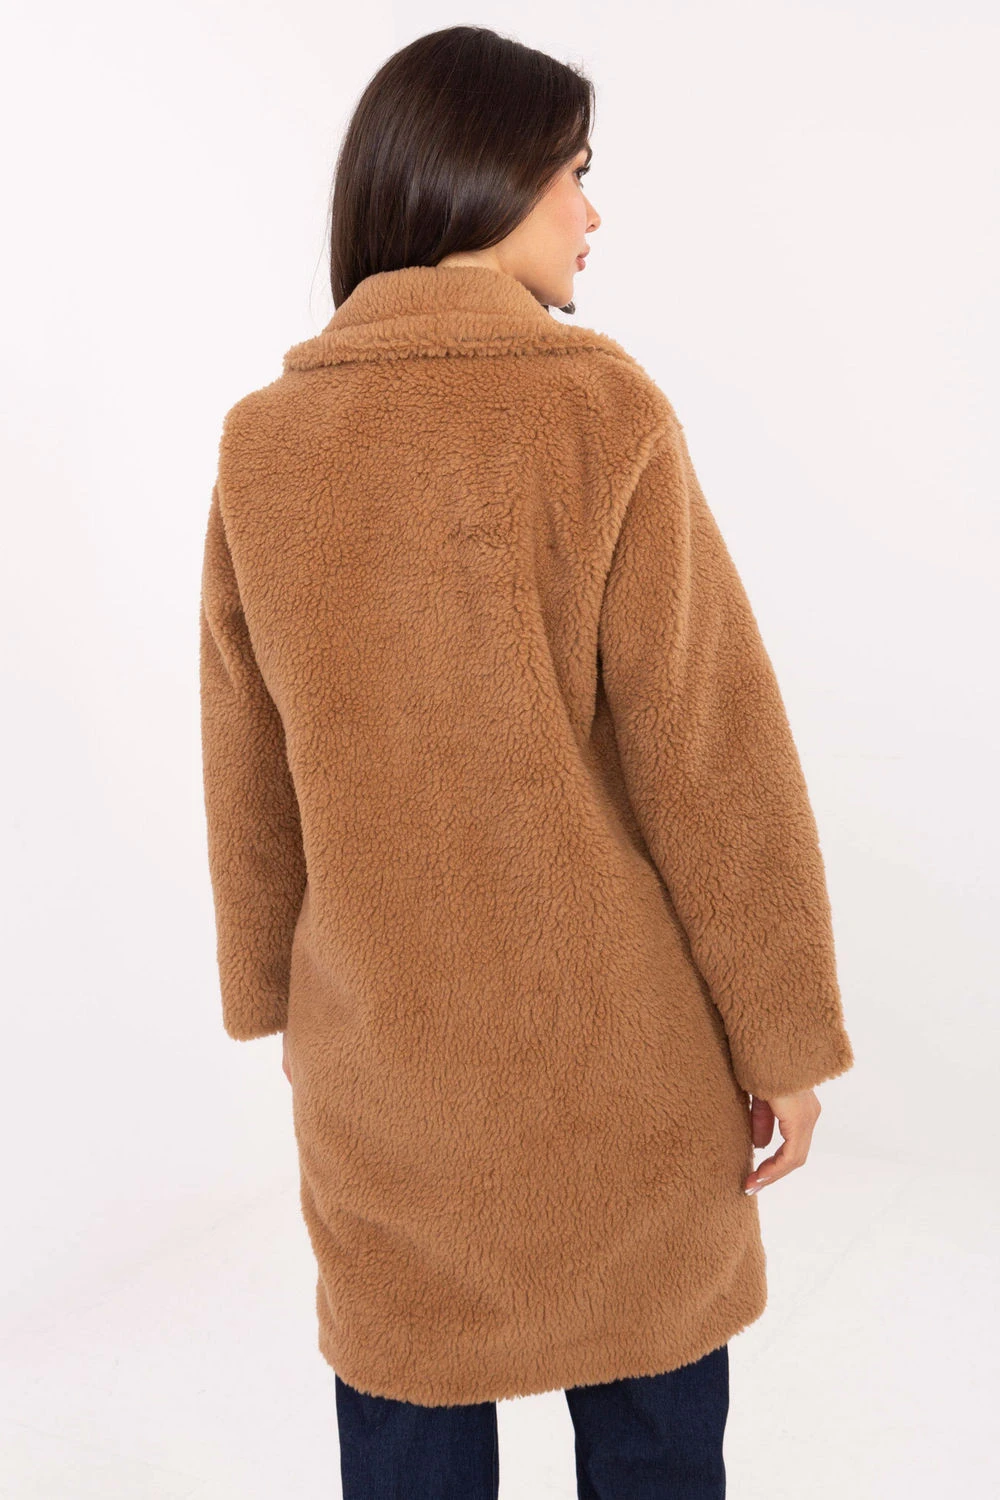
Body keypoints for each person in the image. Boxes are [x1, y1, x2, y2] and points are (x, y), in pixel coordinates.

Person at [198, 24, 855, 1499]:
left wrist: (277, 1005)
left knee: (409, 1430)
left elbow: (247, 762)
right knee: (654, 1447)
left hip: (386, 1080)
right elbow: (714, 754)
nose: (592, 213)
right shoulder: (601, 413)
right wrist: (785, 1042)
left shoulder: (266, 444)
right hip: (622, 1079)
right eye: (575, 175)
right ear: (487, 177)